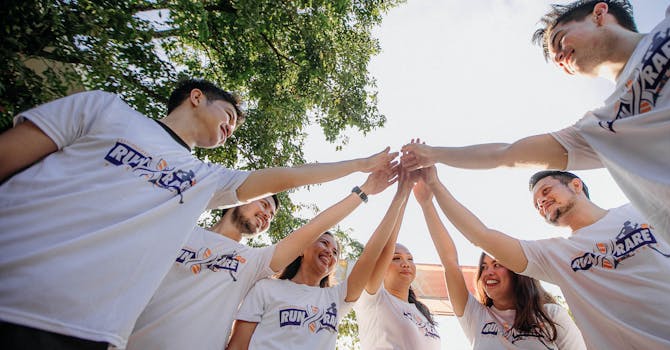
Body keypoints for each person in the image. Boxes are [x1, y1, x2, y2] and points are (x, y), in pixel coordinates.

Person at [400, 1, 670, 346]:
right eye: (555, 59)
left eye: (560, 40)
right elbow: (506, 155)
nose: (559, 57)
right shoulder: (600, 129)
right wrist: (433, 159)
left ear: (599, 13)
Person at [0, 79, 397, 349]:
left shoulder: (206, 185)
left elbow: (289, 188)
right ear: (196, 97)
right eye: (228, 115)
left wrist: (361, 176)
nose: (231, 127)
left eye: (271, 211)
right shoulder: (105, 109)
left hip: (87, 332)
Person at [420, 166, 670, 349]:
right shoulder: (557, 256)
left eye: (545, 191)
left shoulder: (640, 211)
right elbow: (478, 237)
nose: (541, 201)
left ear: (576, 184)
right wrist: (431, 190)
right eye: (535, 202)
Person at [126, 162, 396, 349]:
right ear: (239, 199)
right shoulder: (180, 231)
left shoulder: (253, 263)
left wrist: (364, 191)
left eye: (271, 215)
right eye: (264, 203)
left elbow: (315, 227)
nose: (267, 214)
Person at [226, 166, 414, 350]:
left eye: (335, 252)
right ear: (302, 249)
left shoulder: (337, 298)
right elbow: (237, 345)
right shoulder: (266, 288)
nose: (329, 253)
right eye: (324, 243)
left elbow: (370, 256)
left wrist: (401, 196)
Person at [414, 170, 585, 349]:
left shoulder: (551, 315)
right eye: (484, 267)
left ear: (517, 271)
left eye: (496, 265)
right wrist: (427, 205)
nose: (488, 272)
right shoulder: (475, 316)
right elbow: (449, 261)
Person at [353, 192, 440, 350]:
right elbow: (386, 245)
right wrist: (404, 192)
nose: (406, 263)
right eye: (396, 258)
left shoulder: (421, 312)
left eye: (410, 259)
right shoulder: (373, 299)